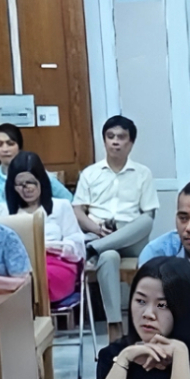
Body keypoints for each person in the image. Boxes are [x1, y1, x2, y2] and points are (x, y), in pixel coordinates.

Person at [74, 115, 159, 329]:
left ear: (130, 143)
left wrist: (107, 239)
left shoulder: (143, 173)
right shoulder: (90, 174)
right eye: (110, 137)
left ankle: (94, 249)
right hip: (98, 232)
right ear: (104, 141)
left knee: (146, 221)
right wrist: (96, 229)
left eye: (121, 137)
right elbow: (77, 210)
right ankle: (115, 326)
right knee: (109, 256)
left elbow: (149, 214)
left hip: (131, 239)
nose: (115, 142)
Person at [7, 152, 83, 304]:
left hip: (56, 265)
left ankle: (35, 316)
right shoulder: (4, 212)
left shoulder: (61, 206)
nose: (26, 189)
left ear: (41, 181)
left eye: (31, 182)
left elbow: (78, 248)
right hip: (20, 266)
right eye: (20, 185)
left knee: (35, 277)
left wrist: (51, 246)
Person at [0, 123, 72, 204]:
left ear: (20, 146)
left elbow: (69, 201)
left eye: (10, 144)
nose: (5, 149)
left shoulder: (40, 175)